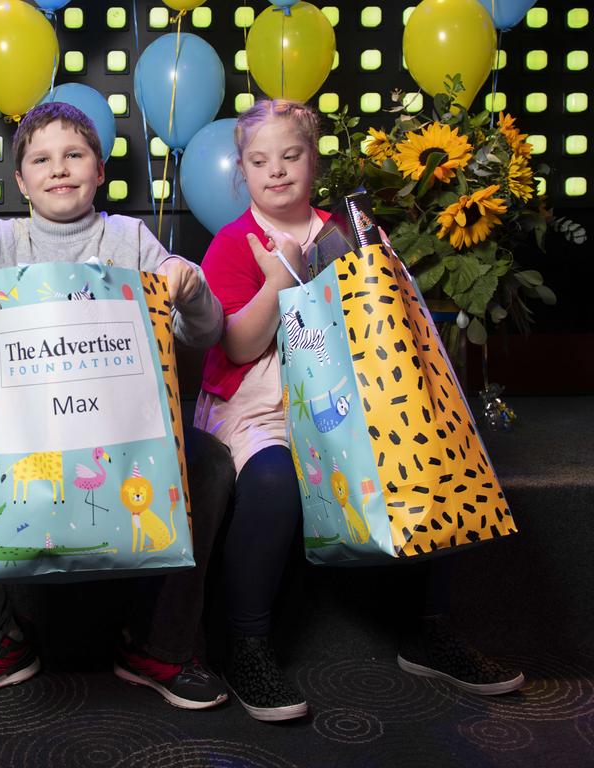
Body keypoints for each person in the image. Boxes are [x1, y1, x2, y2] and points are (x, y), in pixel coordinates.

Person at [0, 102, 234, 713]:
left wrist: (189, 283)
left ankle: (159, 647)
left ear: (99, 170)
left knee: (211, 464)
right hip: (18, 437)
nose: (58, 169)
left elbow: (205, 333)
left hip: (123, 434)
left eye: (74, 155)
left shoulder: (129, 237)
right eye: (41, 159)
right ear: (20, 180)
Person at [194, 99, 525, 723]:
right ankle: (246, 644)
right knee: (272, 479)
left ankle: (428, 630)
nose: (277, 171)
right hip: (257, 402)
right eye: (259, 161)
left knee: (424, 451)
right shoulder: (234, 244)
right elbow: (237, 346)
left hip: (344, 394)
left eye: (291, 156)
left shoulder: (346, 229)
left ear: (313, 159)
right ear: (242, 169)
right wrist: (276, 284)